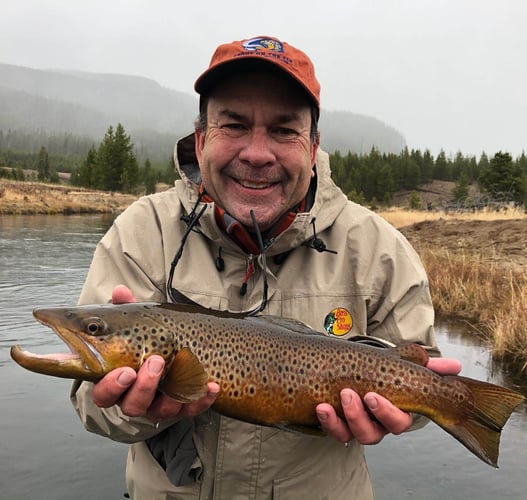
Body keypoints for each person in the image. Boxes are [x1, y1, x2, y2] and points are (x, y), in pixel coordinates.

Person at [71, 35, 461, 499]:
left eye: (283, 130)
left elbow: (420, 380)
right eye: (233, 125)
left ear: (313, 146)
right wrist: (135, 408)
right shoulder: (142, 231)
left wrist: (409, 409)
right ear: (200, 139)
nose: (257, 154)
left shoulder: (378, 249)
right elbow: (89, 401)